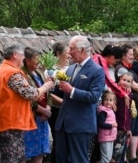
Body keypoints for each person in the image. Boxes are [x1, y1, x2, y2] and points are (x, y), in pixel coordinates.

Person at [0, 42, 54, 163]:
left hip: (10, 122)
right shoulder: (11, 72)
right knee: (13, 159)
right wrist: (47, 86)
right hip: (10, 123)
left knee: (18, 158)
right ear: (15, 55)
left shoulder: (5, 68)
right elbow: (30, 93)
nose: (23, 59)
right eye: (22, 56)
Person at [55, 35, 105, 163]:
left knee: (78, 159)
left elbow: (94, 97)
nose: (69, 52)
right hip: (63, 123)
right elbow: (65, 93)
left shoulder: (97, 70)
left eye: (72, 49)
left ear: (82, 50)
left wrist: (72, 90)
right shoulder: (70, 68)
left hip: (81, 124)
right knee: (61, 159)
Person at [115, 44, 138, 163]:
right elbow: (133, 84)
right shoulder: (121, 68)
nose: (132, 57)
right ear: (123, 56)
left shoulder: (132, 68)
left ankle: (133, 156)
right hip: (128, 105)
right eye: (130, 54)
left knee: (135, 130)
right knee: (127, 131)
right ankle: (123, 157)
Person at [22, 47, 52, 162]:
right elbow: (26, 98)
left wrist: (48, 108)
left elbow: (47, 92)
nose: (39, 61)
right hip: (31, 118)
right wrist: (42, 110)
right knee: (25, 151)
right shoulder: (23, 74)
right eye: (36, 58)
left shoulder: (39, 72)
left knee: (40, 151)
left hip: (42, 119)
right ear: (27, 60)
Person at [45, 41, 69, 163]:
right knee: (58, 140)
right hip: (56, 110)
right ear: (59, 54)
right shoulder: (50, 72)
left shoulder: (69, 69)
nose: (69, 54)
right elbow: (48, 93)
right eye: (66, 52)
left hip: (68, 110)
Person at [111, 72, 133, 163]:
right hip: (115, 126)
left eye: (128, 81)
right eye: (124, 80)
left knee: (121, 148)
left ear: (131, 84)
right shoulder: (114, 93)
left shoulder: (130, 95)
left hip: (124, 129)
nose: (125, 82)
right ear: (120, 80)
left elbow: (128, 112)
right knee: (114, 148)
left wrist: (128, 128)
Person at [97, 90, 117, 163]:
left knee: (108, 157)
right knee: (105, 157)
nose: (108, 102)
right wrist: (111, 125)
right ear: (103, 100)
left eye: (110, 100)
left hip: (110, 136)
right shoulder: (103, 111)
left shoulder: (110, 110)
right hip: (105, 137)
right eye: (106, 100)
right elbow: (100, 123)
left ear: (114, 102)